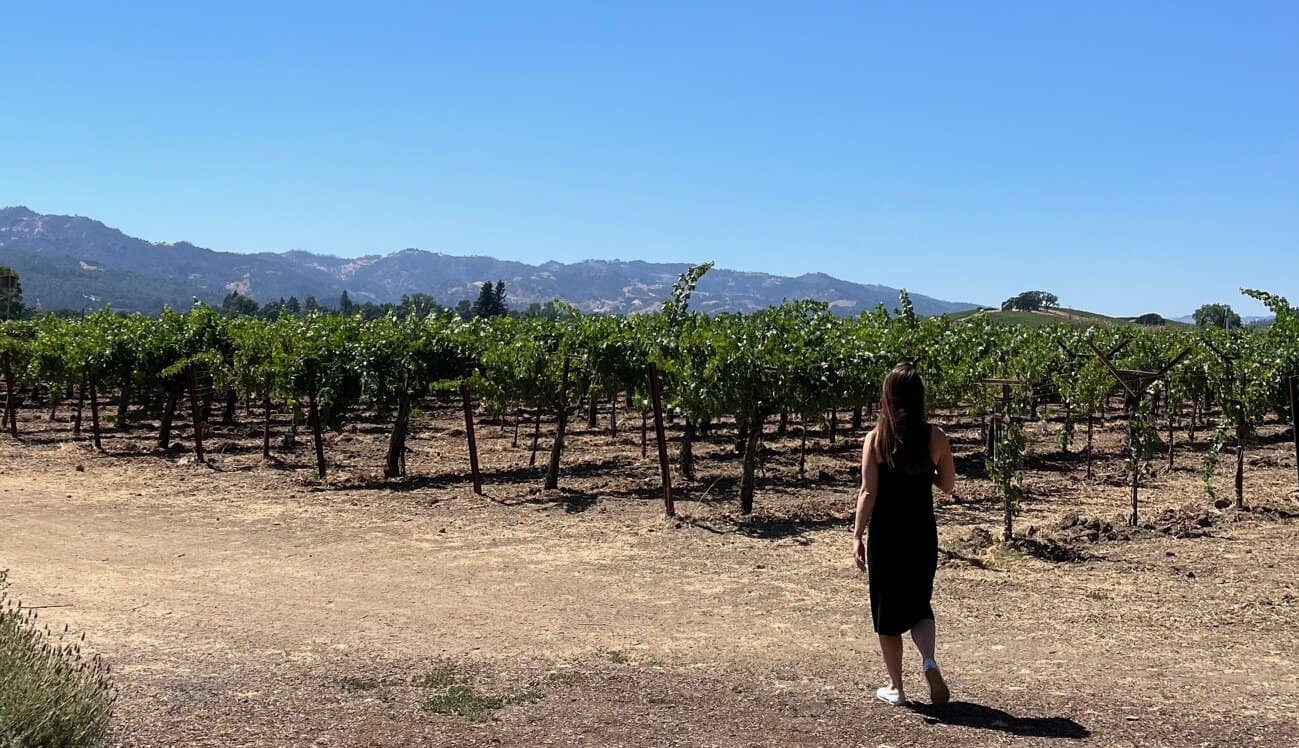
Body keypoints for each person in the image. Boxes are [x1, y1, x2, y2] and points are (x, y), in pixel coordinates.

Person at [852, 362, 956, 706]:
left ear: (889, 397)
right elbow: (948, 486)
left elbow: (868, 492)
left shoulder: (876, 439)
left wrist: (857, 535)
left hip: (887, 536)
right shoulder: (935, 436)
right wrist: (927, 473)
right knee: (919, 605)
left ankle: (896, 687)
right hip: (921, 534)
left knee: (887, 615)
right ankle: (928, 660)